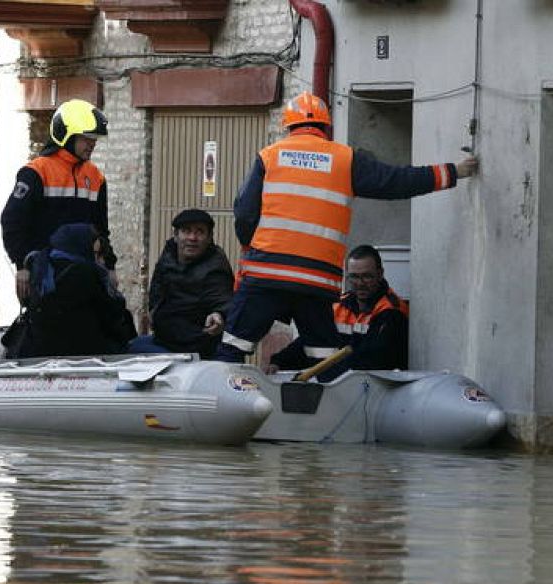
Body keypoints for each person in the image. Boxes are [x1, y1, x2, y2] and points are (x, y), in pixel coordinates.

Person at [215, 91, 478, 364]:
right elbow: (395, 181)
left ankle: (225, 400)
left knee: (233, 348)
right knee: (323, 359)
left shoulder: (269, 156)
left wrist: (252, 247)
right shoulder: (345, 159)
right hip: (316, 282)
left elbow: (244, 214)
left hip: (266, 274)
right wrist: (451, 172)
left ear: (288, 125)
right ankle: (322, 403)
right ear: (326, 126)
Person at [1, 98, 118, 304]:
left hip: (85, 274)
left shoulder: (96, 177)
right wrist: (22, 265)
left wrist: (109, 266)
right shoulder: (37, 171)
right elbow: (12, 221)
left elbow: (101, 228)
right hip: (46, 273)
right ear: (66, 135)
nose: (93, 143)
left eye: (95, 138)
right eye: (87, 137)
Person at [268, 244, 409, 378]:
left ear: (380, 274)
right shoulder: (338, 306)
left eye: (367, 276)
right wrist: (279, 362)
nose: (360, 283)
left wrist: (327, 371)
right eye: (354, 277)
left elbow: (375, 359)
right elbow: (312, 340)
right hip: (339, 384)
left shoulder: (392, 311)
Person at [2, 223, 136, 358]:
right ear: (81, 248)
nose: (100, 261)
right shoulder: (86, 274)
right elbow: (113, 320)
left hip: (39, 352)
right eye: (95, 254)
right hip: (88, 354)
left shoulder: (43, 268)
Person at [128, 208, 234, 359]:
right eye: (186, 231)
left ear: (209, 237)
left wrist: (218, 315)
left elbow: (221, 299)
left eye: (199, 232)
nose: (192, 237)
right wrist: (154, 312)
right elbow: (157, 290)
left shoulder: (215, 266)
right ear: (176, 236)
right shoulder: (168, 256)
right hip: (163, 340)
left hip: (195, 348)